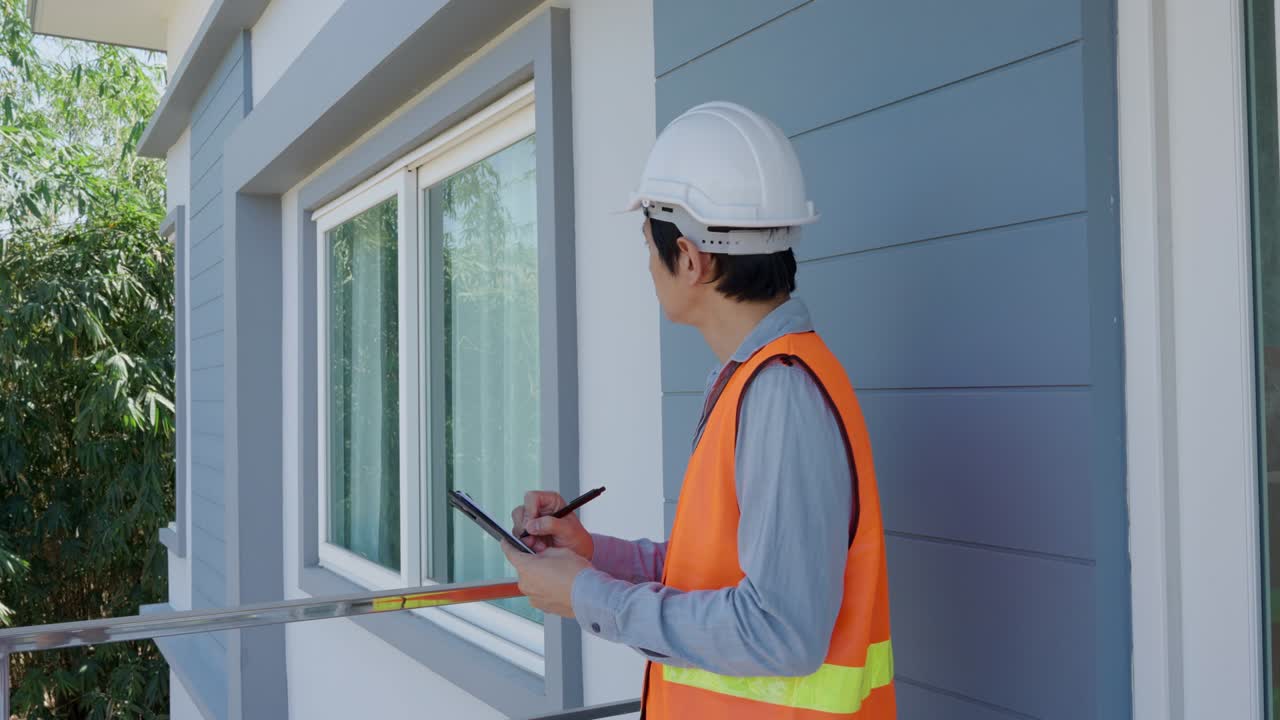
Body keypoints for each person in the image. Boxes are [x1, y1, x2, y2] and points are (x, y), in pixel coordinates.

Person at [502, 101, 895, 718]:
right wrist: (591, 552)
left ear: (689, 257)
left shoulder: (781, 392)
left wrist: (588, 598)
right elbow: (719, 568)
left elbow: (780, 631)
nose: (648, 266)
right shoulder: (752, 378)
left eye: (649, 246)